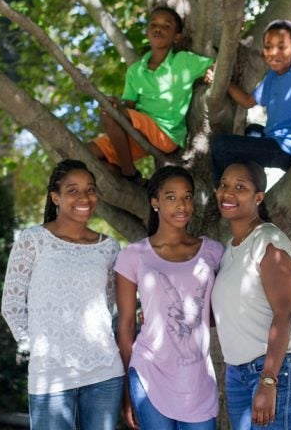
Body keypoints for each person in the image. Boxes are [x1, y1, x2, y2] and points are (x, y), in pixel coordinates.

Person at [1, 159, 124, 430]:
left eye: (90, 189)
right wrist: (36, 348)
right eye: (73, 190)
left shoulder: (109, 248)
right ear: (55, 197)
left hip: (104, 371)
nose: (84, 197)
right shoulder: (33, 240)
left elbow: (109, 305)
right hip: (51, 373)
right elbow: (11, 303)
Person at [115, 165, 224, 429]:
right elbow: (127, 325)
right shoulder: (133, 255)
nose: (182, 205)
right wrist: (127, 392)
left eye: (187, 196)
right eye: (171, 197)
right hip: (149, 372)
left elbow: (228, 309)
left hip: (198, 379)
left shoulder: (213, 251)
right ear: (155, 202)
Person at [211, 161, 291, 429]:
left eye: (240, 187)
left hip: (275, 371)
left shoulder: (269, 241)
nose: (228, 192)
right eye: (223, 185)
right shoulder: (230, 250)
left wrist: (269, 380)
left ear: (259, 197)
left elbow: (285, 312)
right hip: (237, 372)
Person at [88, 6, 214, 185]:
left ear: (177, 37)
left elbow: (216, 66)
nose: (158, 28)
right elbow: (128, 107)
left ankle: (129, 172)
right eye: (153, 24)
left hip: (165, 133)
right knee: (87, 155)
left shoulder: (184, 61)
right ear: (147, 31)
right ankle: (136, 182)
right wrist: (117, 105)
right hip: (139, 132)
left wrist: (211, 73)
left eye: (166, 26)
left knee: (109, 113)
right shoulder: (135, 71)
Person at [210, 19, 291, 185]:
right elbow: (247, 101)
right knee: (253, 130)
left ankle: (224, 191)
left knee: (221, 145)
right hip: (273, 139)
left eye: (281, 47)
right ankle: (252, 184)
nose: (273, 52)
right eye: (268, 47)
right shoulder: (274, 76)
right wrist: (221, 82)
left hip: (287, 150)